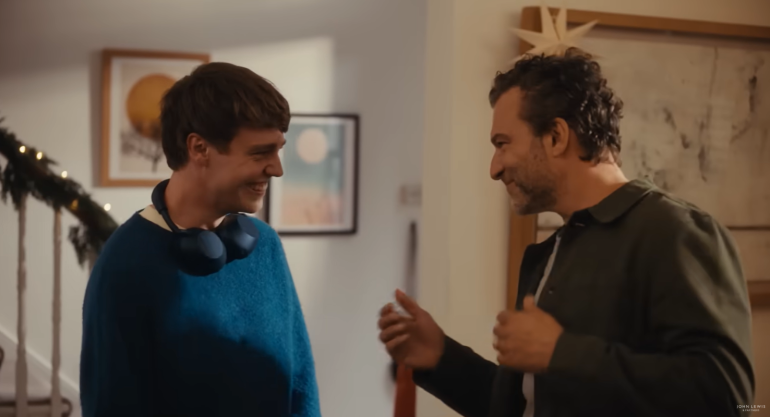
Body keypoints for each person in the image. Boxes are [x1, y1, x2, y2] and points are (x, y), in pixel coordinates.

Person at [378, 49, 754, 417]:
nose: (494, 169)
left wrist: (561, 353)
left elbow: (728, 397)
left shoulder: (675, 232)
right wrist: (440, 356)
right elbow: (523, 404)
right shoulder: (548, 254)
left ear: (556, 136)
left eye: (503, 144)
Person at [80, 62, 321, 417]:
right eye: (260, 153)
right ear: (199, 148)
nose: (276, 168)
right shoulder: (125, 266)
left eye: (278, 150)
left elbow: (301, 388)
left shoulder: (264, 246)